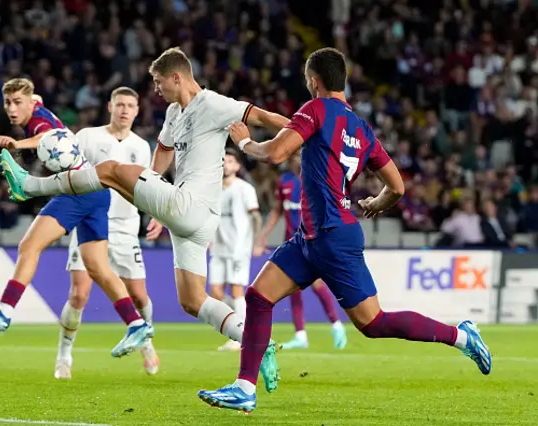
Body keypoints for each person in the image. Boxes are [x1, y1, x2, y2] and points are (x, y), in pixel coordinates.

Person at [197, 47, 492, 413]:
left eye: (308, 79)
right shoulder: (361, 127)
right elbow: (397, 187)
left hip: (333, 236)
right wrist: (375, 204)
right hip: (310, 236)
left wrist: (242, 142)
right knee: (258, 298)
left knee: (373, 322)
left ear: (313, 81)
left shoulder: (316, 109)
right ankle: (245, 387)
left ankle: (463, 337)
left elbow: (274, 154)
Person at [0, 48, 289, 393]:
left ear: (176, 77)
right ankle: (257, 343)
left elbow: (271, 119)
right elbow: (165, 150)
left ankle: (31, 186)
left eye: (158, 81)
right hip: (191, 218)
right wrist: (148, 193)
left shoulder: (214, 104)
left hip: (191, 206)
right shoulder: (173, 111)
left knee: (108, 170)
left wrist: (310, 134)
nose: (156, 88)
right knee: (193, 301)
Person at [0, 79, 153, 359]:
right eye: (8, 103)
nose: (12, 109)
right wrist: (28, 97)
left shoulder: (38, 121)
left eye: (18, 103)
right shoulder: (35, 105)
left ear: (30, 103)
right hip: (97, 193)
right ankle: (136, 323)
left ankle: (5, 309)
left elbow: (46, 136)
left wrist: (18, 143)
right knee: (99, 269)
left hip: (76, 191)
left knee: (29, 247)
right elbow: (36, 99)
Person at [56, 87, 160, 379]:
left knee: (139, 295)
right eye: (120, 105)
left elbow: (147, 187)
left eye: (130, 105)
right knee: (79, 294)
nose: (125, 110)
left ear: (138, 111)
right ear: (109, 107)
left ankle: (146, 343)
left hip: (126, 226)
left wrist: (158, 217)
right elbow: (68, 168)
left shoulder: (141, 146)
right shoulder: (88, 136)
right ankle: (64, 355)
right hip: (90, 220)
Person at [257, 150, 347, 350]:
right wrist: (263, 235)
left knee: (316, 285)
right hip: (291, 243)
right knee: (293, 289)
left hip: (311, 242)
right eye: (295, 156)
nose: (298, 159)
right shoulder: (285, 181)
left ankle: (336, 325)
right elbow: (277, 210)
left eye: (301, 155)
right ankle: (301, 335)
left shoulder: (316, 179)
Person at [208, 148, 262, 352]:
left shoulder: (245, 189)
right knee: (214, 293)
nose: (225, 164)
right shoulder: (213, 189)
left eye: (230, 161)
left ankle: (240, 337)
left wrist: (257, 241)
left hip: (239, 247)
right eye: (223, 160)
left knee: (237, 290)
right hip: (219, 247)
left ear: (237, 166)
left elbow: (256, 216)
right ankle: (244, 322)